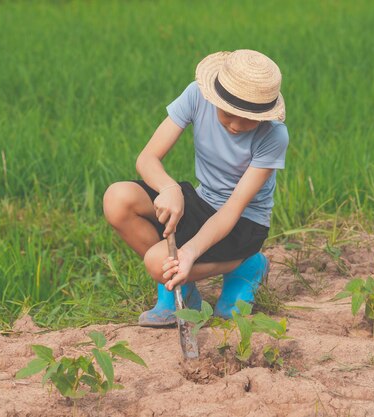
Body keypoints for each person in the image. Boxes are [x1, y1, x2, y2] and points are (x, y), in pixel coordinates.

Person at [103, 49, 288, 326]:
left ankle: (247, 264)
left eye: (249, 119)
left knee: (157, 262)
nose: (236, 125)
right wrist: (169, 188)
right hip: (203, 201)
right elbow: (147, 158)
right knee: (117, 198)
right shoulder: (196, 95)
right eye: (228, 114)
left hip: (242, 222)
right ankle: (183, 288)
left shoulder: (274, 135)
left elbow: (233, 208)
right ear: (215, 98)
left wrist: (188, 252)